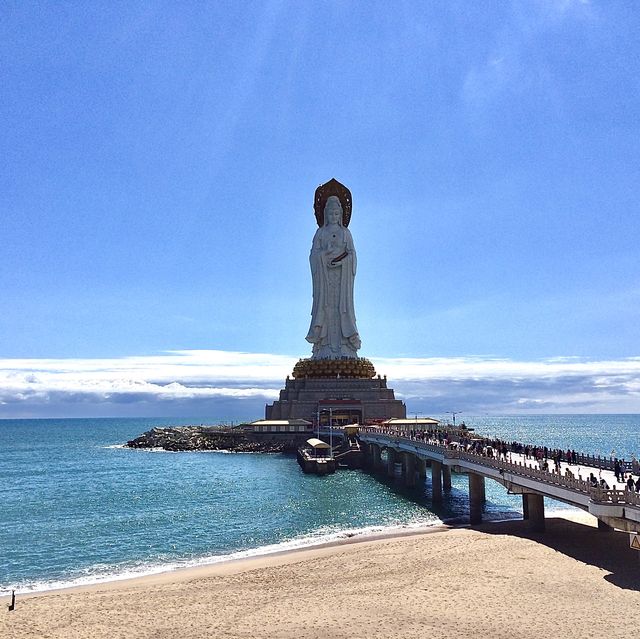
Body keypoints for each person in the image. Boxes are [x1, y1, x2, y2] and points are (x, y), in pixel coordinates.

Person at [306, 195, 361, 358]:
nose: (334, 217)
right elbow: (313, 255)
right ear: (325, 214)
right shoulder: (321, 233)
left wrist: (343, 261)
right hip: (324, 280)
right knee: (325, 307)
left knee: (343, 308)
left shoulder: (346, 233)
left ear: (341, 214)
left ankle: (346, 345)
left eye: (337, 214)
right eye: (330, 214)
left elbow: (353, 255)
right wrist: (324, 255)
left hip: (342, 280)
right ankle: (323, 346)